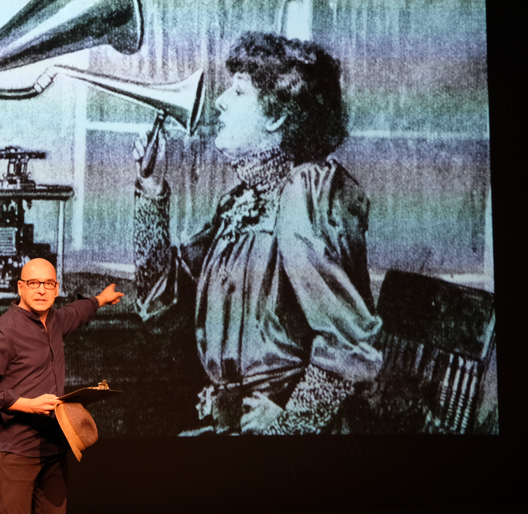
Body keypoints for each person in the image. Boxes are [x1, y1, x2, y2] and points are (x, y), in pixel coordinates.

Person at [132, 32, 383, 435]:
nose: (220, 101)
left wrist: (287, 424)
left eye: (238, 91)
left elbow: (350, 344)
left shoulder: (307, 191)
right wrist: (151, 189)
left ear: (276, 115)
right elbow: (161, 305)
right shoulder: (239, 204)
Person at [0, 258, 123, 514]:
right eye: (34, 283)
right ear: (20, 287)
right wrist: (28, 405)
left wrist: (100, 299)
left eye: (48, 283)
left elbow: (77, 312)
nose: (41, 289)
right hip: (16, 449)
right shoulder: (3, 333)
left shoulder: (54, 320)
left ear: (56, 288)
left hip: (54, 445)